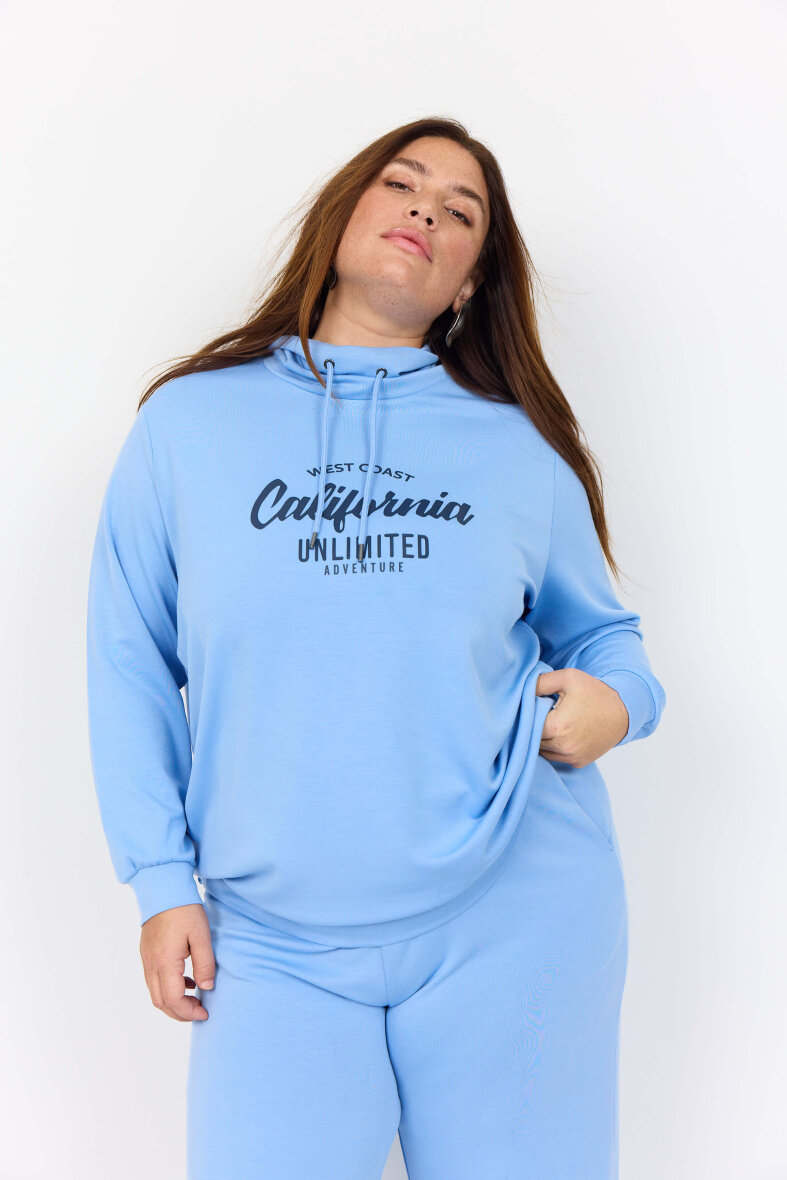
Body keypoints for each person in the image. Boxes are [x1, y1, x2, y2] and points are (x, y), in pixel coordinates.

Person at [86, 116, 666, 1179]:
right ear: (342, 214)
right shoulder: (188, 425)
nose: (425, 212)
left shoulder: (514, 442)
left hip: (517, 912)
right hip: (271, 938)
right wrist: (161, 882)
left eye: (459, 212)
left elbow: (606, 637)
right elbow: (129, 660)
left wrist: (615, 705)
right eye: (402, 184)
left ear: (468, 283)